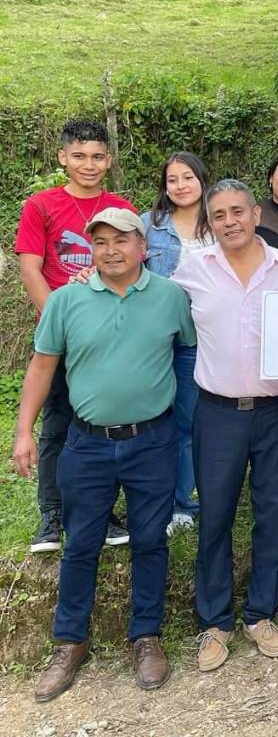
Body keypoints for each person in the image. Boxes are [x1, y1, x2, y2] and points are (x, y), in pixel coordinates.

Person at [13, 207, 196, 701]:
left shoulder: (170, 298)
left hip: (152, 441)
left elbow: (188, 353)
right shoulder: (66, 301)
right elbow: (43, 366)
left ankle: (146, 636)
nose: (111, 251)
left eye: (121, 241)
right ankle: (69, 642)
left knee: (150, 541)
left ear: (143, 246)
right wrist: (23, 431)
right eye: (101, 243)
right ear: (90, 249)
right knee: (80, 544)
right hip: (87, 442)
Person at [171, 179, 278, 672]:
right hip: (218, 411)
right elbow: (148, 297)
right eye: (219, 214)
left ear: (255, 214)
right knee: (217, 515)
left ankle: (261, 614)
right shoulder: (193, 270)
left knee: (275, 511)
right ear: (210, 221)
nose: (230, 221)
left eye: (237, 211)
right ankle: (214, 622)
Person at [14, 119, 134, 554]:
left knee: (108, 426)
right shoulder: (41, 205)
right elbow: (31, 267)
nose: (89, 164)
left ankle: (104, 511)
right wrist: (57, 321)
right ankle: (52, 513)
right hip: (62, 336)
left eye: (98, 156)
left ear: (108, 159)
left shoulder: (120, 207)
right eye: (79, 155)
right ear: (63, 157)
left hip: (111, 337)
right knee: (59, 424)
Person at [141, 152, 214, 535]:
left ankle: (182, 504)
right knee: (151, 421)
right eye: (172, 179)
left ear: (203, 180)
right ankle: (151, 498)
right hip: (154, 340)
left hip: (201, 338)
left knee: (187, 421)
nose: (181, 185)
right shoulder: (148, 226)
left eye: (188, 177)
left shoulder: (218, 224)